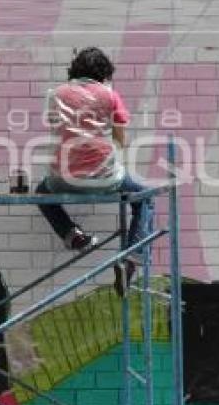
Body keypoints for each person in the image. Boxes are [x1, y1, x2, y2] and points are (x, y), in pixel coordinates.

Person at [36, 46, 152, 295]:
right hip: (105, 179)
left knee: (41, 193)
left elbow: (55, 128)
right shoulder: (110, 96)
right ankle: (132, 257)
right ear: (104, 73)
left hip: (62, 178)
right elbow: (121, 139)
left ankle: (74, 236)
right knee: (143, 197)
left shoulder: (55, 94)